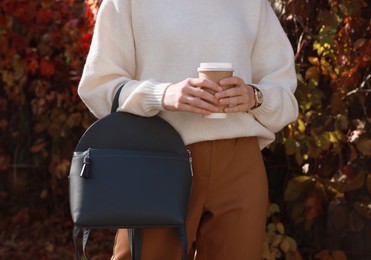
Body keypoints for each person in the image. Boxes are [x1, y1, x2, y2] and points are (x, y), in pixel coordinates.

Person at [78, 0, 298, 259]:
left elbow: (283, 89)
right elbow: (98, 85)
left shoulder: (251, 4)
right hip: (156, 159)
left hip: (240, 162)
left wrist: (255, 97)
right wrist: (162, 94)